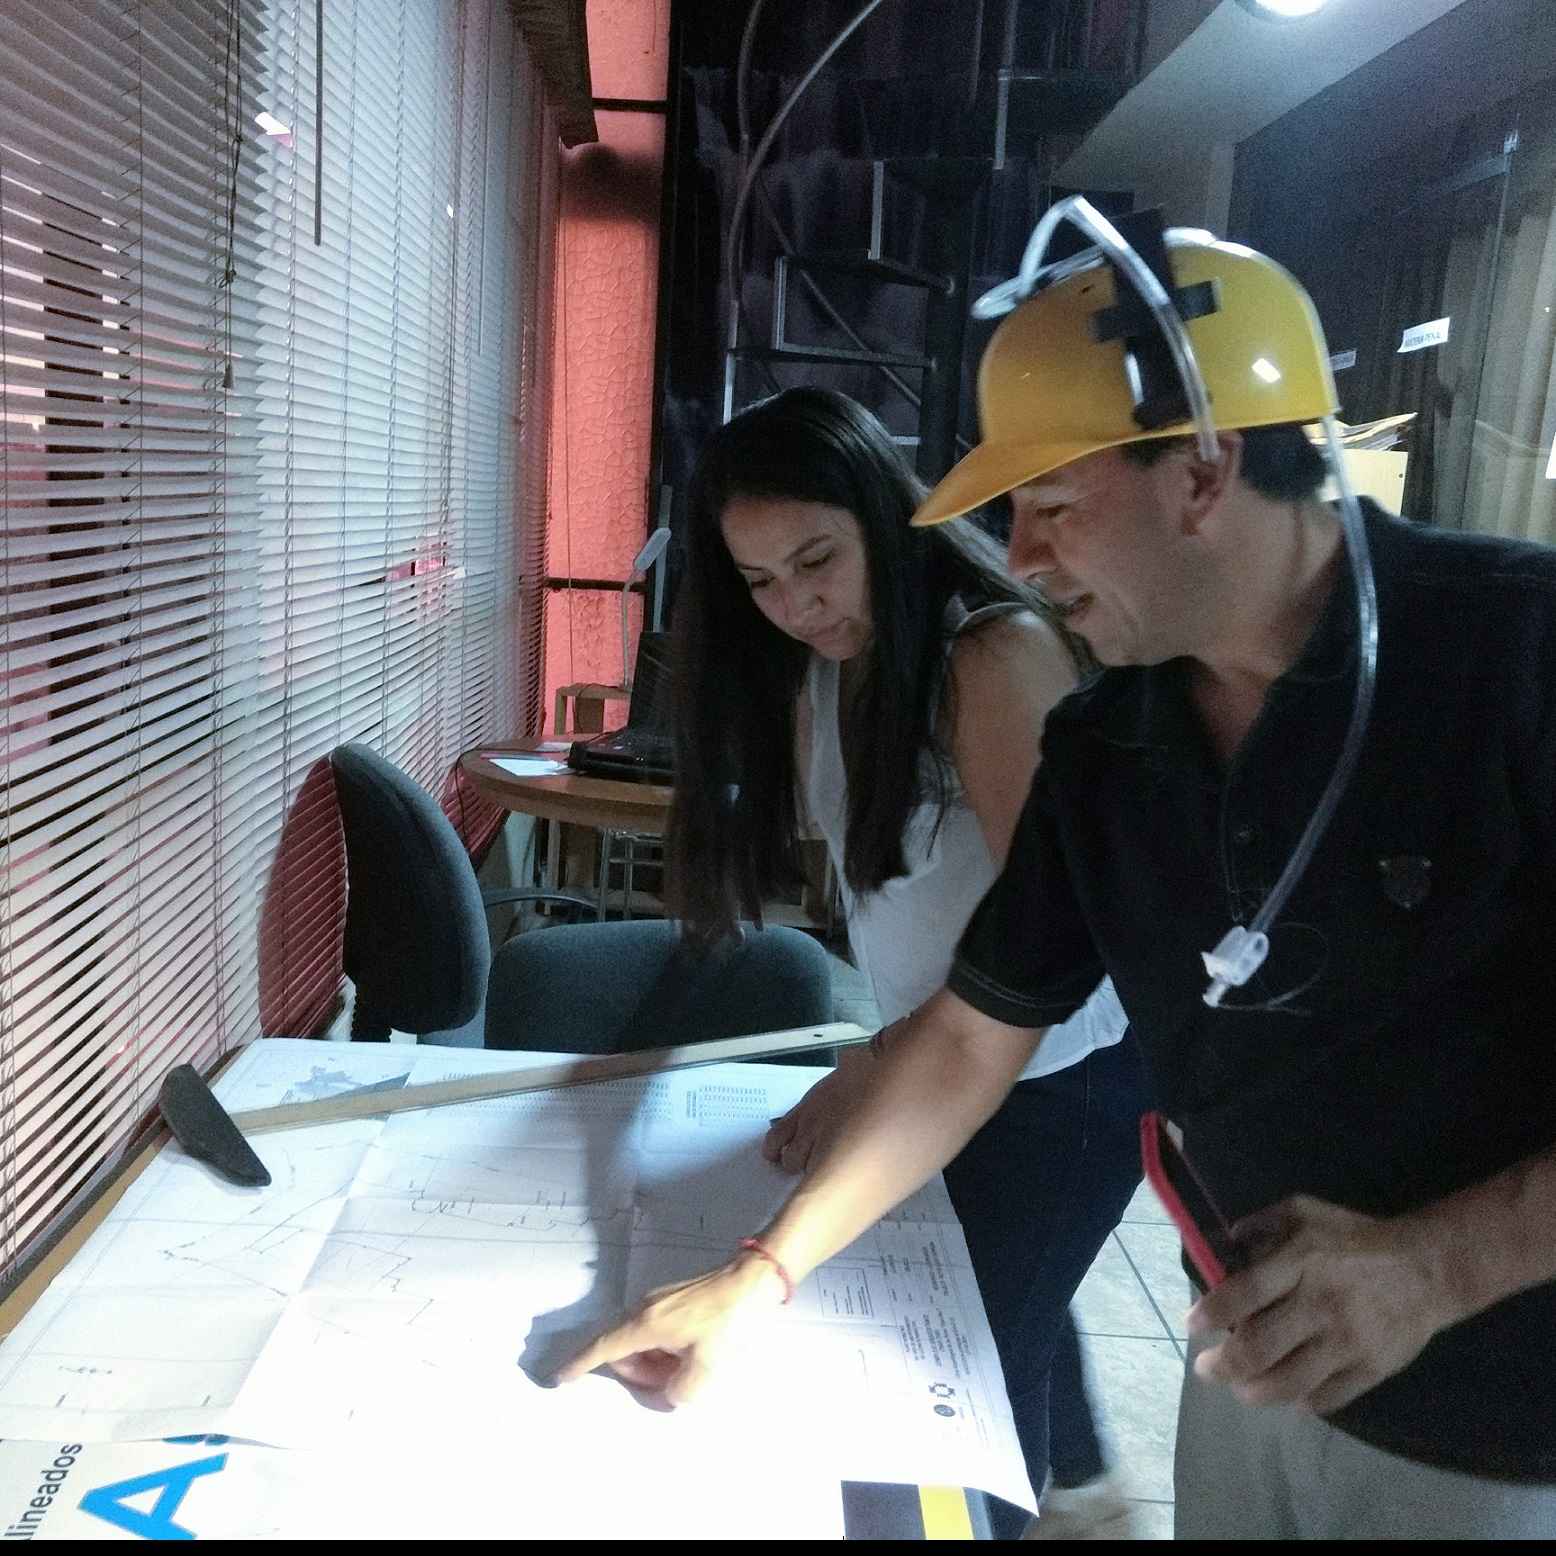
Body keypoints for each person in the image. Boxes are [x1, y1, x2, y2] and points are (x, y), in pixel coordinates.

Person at [559, 228, 1556, 1539]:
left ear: (1201, 469)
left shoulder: (1512, 653)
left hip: (1504, 1417)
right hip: (1256, 1354)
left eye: (1053, 504)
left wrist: (1433, 1266)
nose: (1018, 554)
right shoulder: (1112, 743)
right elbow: (972, 1035)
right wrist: (761, 1276)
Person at [662, 386, 1146, 1536]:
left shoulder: (989, 654)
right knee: (1000, 1300)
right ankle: (1089, 1491)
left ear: (884, 515)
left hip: (1058, 1082)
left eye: (816, 560)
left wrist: (875, 1065)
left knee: (973, 1373)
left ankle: (1042, 1501)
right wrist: (880, 1060)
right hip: (945, 1067)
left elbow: (1055, 945)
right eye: (759, 580)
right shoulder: (831, 664)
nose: (796, 604)